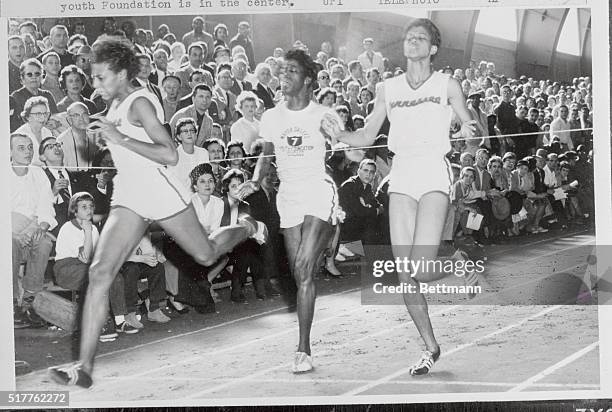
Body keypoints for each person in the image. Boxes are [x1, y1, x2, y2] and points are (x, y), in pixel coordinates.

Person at [48, 38, 266, 388]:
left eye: (102, 77)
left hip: (161, 191)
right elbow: (127, 147)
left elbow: (169, 155)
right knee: (100, 271)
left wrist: (118, 138)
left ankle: (247, 225)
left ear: (121, 73)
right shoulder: (117, 103)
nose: (96, 84)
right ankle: (83, 368)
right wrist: (109, 137)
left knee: (206, 254)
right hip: (130, 197)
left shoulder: (141, 102)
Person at [321, 18, 478, 376]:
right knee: (407, 275)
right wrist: (340, 132)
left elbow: (473, 134)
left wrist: (471, 130)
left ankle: (455, 262)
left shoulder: (447, 84)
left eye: (421, 38)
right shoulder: (387, 88)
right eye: (409, 38)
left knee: (421, 269)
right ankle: (430, 348)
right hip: (402, 175)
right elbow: (365, 136)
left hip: (435, 172)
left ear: (433, 48)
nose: (413, 42)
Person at [237, 49, 350, 373]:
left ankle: (302, 349)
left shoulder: (323, 113)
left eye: (291, 71)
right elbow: (267, 154)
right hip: (288, 197)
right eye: (281, 70)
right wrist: (257, 181)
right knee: (302, 275)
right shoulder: (272, 116)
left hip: (317, 189)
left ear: (308, 79)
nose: (283, 76)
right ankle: (306, 343)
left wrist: (340, 137)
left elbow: (348, 150)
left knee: (302, 266)